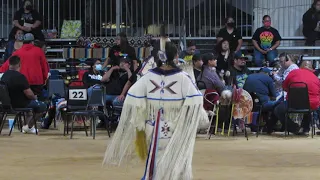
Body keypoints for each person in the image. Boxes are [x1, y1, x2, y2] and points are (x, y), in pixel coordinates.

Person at [103, 42, 208, 180]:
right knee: (176, 160)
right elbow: (196, 100)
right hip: (176, 127)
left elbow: (132, 95)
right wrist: (197, 118)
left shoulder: (149, 76)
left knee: (156, 159)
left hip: (155, 126)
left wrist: (142, 116)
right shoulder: (183, 77)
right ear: (176, 56)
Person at [1, 56, 47, 134]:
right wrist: (34, 97)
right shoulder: (20, 77)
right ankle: (29, 126)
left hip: (7, 104)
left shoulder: (4, 76)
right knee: (43, 106)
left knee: (30, 109)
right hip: (21, 103)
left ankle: (26, 125)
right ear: (19, 64)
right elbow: (29, 94)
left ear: (9, 64)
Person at [273, 67, 320, 135]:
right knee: (309, 109)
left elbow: (284, 87)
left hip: (293, 104)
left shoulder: (293, 72)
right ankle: (305, 129)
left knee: (277, 110)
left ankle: (294, 127)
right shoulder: (315, 77)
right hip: (311, 104)